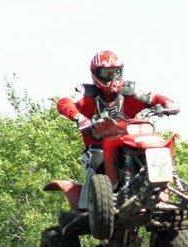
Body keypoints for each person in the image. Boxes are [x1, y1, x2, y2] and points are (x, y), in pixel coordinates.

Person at [57, 50, 178, 209]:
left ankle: (163, 191)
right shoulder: (86, 93)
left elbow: (152, 97)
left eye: (115, 72)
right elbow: (64, 102)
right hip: (98, 147)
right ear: (96, 74)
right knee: (97, 161)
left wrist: (167, 103)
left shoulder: (130, 91)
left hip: (130, 142)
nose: (112, 77)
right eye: (107, 73)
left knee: (154, 146)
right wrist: (79, 117)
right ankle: (88, 208)